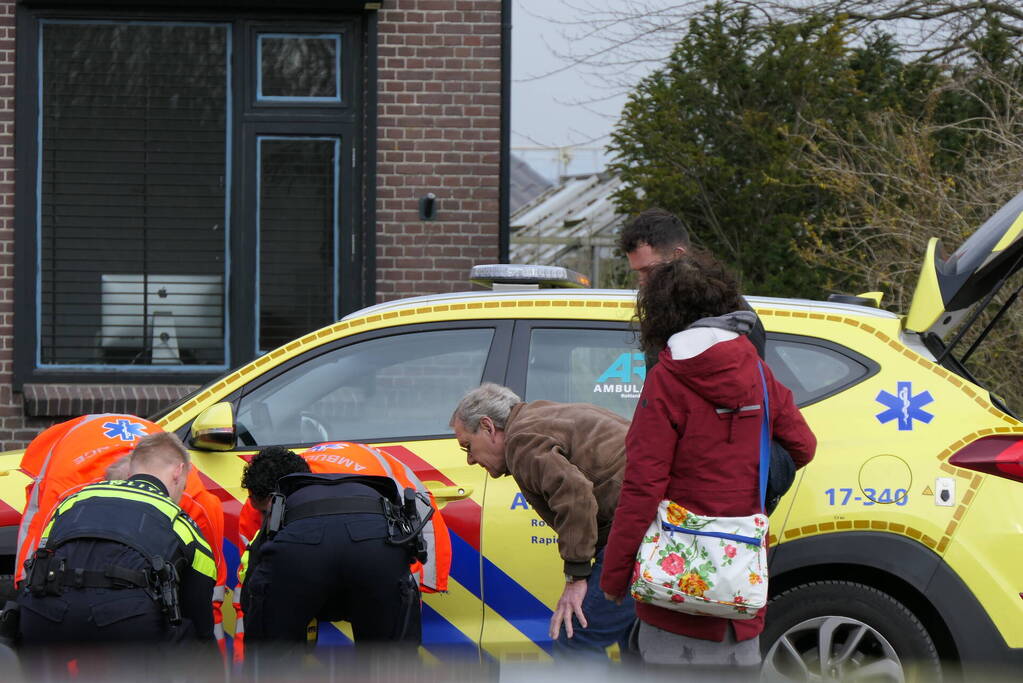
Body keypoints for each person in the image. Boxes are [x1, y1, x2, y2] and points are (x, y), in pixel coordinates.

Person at [600, 254, 817, 673]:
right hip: (741, 585)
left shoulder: (666, 380)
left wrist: (614, 577)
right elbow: (803, 446)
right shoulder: (755, 369)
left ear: (662, 313)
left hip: (677, 593)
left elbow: (643, 487)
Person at [618, 207, 796, 512]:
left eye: (647, 271)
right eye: (637, 273)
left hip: (706, 499)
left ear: (677, 254)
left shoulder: (736, 322)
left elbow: (742, 413)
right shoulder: (669, 316)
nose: (642, 283)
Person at [13, 414, 230, 657]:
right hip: (127, 623)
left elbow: (35, 558)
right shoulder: (187, 509)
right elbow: (203, 605)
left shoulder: (72, 501)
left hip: (47, 617)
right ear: (178, 474)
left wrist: (26, 602)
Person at [450, 384, 636, 660]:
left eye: (468, 446)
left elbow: (575, 495)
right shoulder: (542, 416)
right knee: (632, 640)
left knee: (576, 639)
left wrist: (576, 577)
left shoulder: (521, 442)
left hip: (644, 534)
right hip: (658, 528)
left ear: (488, 427)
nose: (469, 460)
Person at [240, 445, 429, 666]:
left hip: (300, 554)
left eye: (264, 512)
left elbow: (253, 596)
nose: (264, 519)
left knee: (270, 660)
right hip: (379, 551)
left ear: (274, 499)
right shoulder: (366, 486)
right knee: (394, 662)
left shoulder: (283, 510)